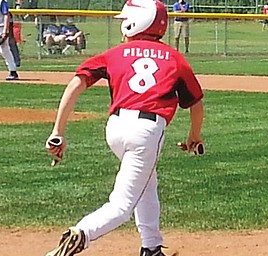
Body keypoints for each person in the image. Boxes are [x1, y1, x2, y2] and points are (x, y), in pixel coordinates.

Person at [44, 0, 204, 256]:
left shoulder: (115, 53)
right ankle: (81, 233)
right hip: (146, 132)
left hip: (116, 127)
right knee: (121, 205)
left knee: (147, 182)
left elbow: (77, 83)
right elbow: (196, 103)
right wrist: (194, 137)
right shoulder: (174, 58)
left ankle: (151, 246)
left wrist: (58, 131)